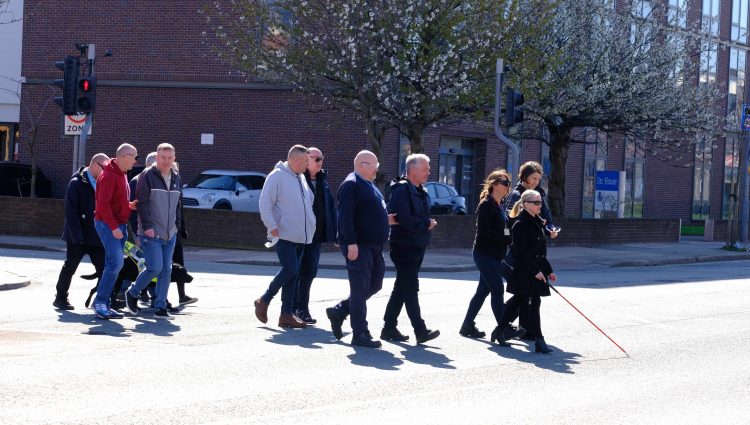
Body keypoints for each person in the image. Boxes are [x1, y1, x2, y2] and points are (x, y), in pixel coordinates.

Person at [325, 150, 392, 348]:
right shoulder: (351, 184)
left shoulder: (369, 184)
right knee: (359, 288)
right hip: (359, 246)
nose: (377, 168)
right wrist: (350, 242)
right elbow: (344, 217)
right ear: (362, 164)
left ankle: (339, 310)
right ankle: (359, 333)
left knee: (374, 285)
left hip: (374, 246)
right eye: (374, 165)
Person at [254, 145, 316, 329]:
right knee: (290, 269)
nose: (308, 164)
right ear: (295, 160)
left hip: (301, 235)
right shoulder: (277, 176)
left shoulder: (301, 177)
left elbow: (308, 202)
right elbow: (264, 202)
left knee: (294, 274)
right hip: (283, 233)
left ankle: (286, 315)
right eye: (306, 161)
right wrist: (271, 225)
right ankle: (264, 300)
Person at [380, 153, 440, 344]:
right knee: (410, 287)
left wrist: (426, 224)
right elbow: (402, 218)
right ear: (412, 170)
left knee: (401, 287)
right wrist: (426, 224)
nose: (428, 173)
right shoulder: (401, 190)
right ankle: (420, 330)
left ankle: (388, 328)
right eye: (425, 169)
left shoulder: (421, 190)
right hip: (403, 246)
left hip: (417, 245)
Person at [459, 169, 523, 342]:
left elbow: (504, 227)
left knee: (482, 292)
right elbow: (484, 232)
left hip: (496, 255)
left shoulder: (500, 205)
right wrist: (506, 237)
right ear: (494, 184)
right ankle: (504, 328)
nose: (507, 186)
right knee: (497, 288)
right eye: (504, 183)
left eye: (509, 183)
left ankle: (467, 325)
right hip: (484, 254)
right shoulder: (486, 205)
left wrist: (509, 236)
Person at [123, 143, 183, 319]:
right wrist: (147, 227)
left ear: (174, 158)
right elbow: (142, 202)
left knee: (166, 270)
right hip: (151, 233)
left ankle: (160, 307)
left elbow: (178, 203)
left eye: (170, 158)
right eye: (163, 158)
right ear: (157, 158)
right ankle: (132, 293)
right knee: (154, 267)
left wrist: (176, 225)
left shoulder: (176, 176)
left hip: (170, 232)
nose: (166, 161)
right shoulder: (147, 176)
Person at [496, 190, 556, 354]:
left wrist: (548, 270)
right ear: (526, 204)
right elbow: (520, 253)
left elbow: (540, 251)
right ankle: (539, 340)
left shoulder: (538, 222)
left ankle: (499, 330)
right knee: (530, 302)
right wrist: (536, 271)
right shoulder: (520, 224)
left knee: (519, 300)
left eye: (540, 202)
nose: (540, 205)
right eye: (536, 203)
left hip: (534, 269)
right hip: (525, 271)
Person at [504, 161, 558, 339]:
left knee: (527, 295)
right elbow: (510, 221)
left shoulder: (539, 193)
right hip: (521, 252)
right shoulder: (516, 195)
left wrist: (549, 229)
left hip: (534, 250)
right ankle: (509, 325)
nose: (536, 181)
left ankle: (520, 329)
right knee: (525, 295)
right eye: (533, 178)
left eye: (538, 179)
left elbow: (546, 215)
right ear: (525, 176)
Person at [53, 153, 110, 310]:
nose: (106, 171)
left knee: (105, 269)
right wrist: (77, 237)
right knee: (70, 267)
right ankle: (60, 298)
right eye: (104, 167)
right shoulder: (77, 182)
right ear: (94, 164)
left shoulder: (104, 182)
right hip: (78, 237)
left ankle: (101, 300)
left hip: (98, 236)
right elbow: (71, 213)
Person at [92, 143, 139, 319]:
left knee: (113, 265)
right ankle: (100, 303)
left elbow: (115, 202)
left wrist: (129, 206)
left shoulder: (121, 174)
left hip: (118, 225)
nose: (135, 161)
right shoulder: (109, 175)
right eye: (134, 157)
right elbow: (102, 205)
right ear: (125, 156)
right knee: (115, 264)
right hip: (108, 224)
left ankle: (104, 303)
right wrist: (113, 228)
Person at [293, 147, 336, 324]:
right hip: (300, 234)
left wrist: (335, 234)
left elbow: (330, 207)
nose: (320, 162)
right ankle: (294, 309)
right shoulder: (298, 180)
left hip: (316, 236)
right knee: (296, 272)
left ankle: (300, 308)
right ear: (306, 160)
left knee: (309, 272)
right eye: (316, 159)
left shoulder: (322, 180)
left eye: (321, 158)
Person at [171, 161, 198, 306]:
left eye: (176, 170)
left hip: (176, 231)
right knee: (161, 266)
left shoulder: (178, 185)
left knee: (179, 264)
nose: (175, 172)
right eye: (172, 169)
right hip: (165, 232)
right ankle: (150, 295)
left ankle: (182, 296)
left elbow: (180, 210)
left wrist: (183, 228)